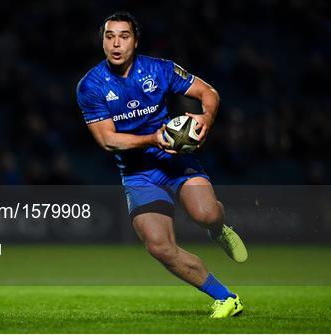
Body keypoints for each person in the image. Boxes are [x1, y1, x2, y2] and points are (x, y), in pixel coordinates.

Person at [76, 11, 248, 318]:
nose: (116, 43)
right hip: (137, 173)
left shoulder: (159, 69)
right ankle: (226, 297)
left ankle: (219, 229)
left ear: (135, 41)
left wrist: (206, 118)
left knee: (206, 214)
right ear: (102, 41)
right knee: (159, 246)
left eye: (124, 36)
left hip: (175, 159)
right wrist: (153, 139)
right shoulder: (91, 86)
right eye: (109, 36)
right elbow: (107, 140)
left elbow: (208, 93)